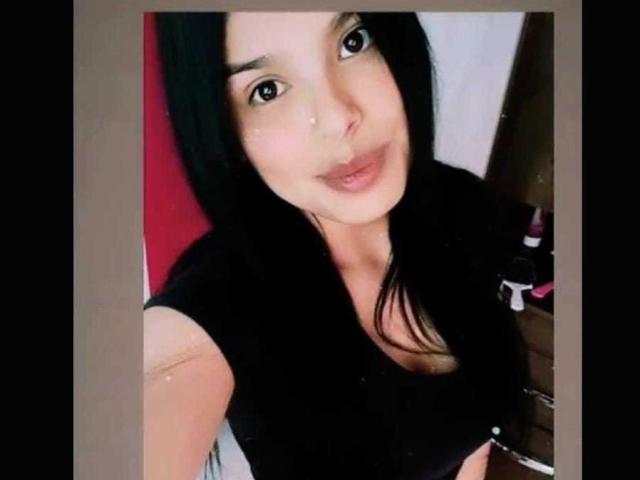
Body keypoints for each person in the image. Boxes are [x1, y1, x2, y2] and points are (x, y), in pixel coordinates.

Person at [144, 12, 531, 480]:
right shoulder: (217, 306)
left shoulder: (460, 204)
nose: (337, 118)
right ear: (225, 128)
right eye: (267, 90)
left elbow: (473, 435)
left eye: (354, 40)